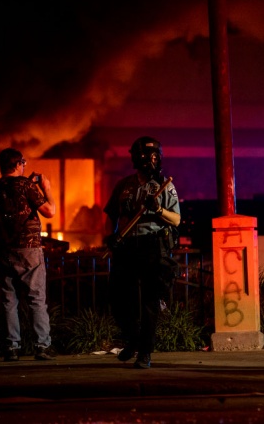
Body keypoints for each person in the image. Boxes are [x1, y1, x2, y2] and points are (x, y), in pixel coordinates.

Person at [103, 136, 181, 369]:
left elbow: (176, 219)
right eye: (150, 156)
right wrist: (112, 236)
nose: (154, 161)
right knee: (119, 299)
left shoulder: (164, 186)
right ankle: (133, 339)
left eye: (157, 156)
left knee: (149, 301)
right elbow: (111, 215)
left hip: (152, 246)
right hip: (127, 246)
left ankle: (144, 353)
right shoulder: (124, 185)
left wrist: (158, 209)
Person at [0, 148, 57, 361]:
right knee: (36, 298)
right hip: (29, 248)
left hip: (2, 250)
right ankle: (42, 346)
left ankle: (12, 347)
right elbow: (50, 211)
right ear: (19, 164)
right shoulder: (27, 185)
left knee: (8, 299)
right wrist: (46, 189)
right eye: (23, 163)